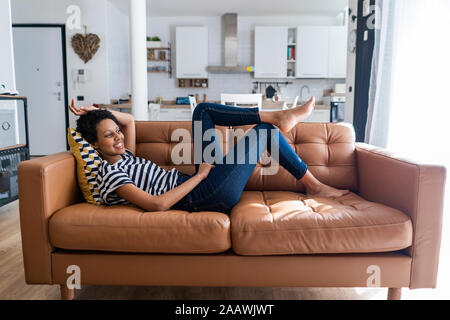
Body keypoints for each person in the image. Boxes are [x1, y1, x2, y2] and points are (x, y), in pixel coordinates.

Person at [69, 97, 349, 214]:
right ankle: (312, 184)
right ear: (93, 144)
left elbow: (129, 120)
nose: (119, 137)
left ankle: (280, 120)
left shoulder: (125, 156)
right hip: (201, 194)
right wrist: (201, 174)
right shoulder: (110, 173)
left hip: (199, 182)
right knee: (263, 132)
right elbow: (156, 205)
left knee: (202, 111)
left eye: (116, 132)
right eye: (109, 135)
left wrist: (96, 114)